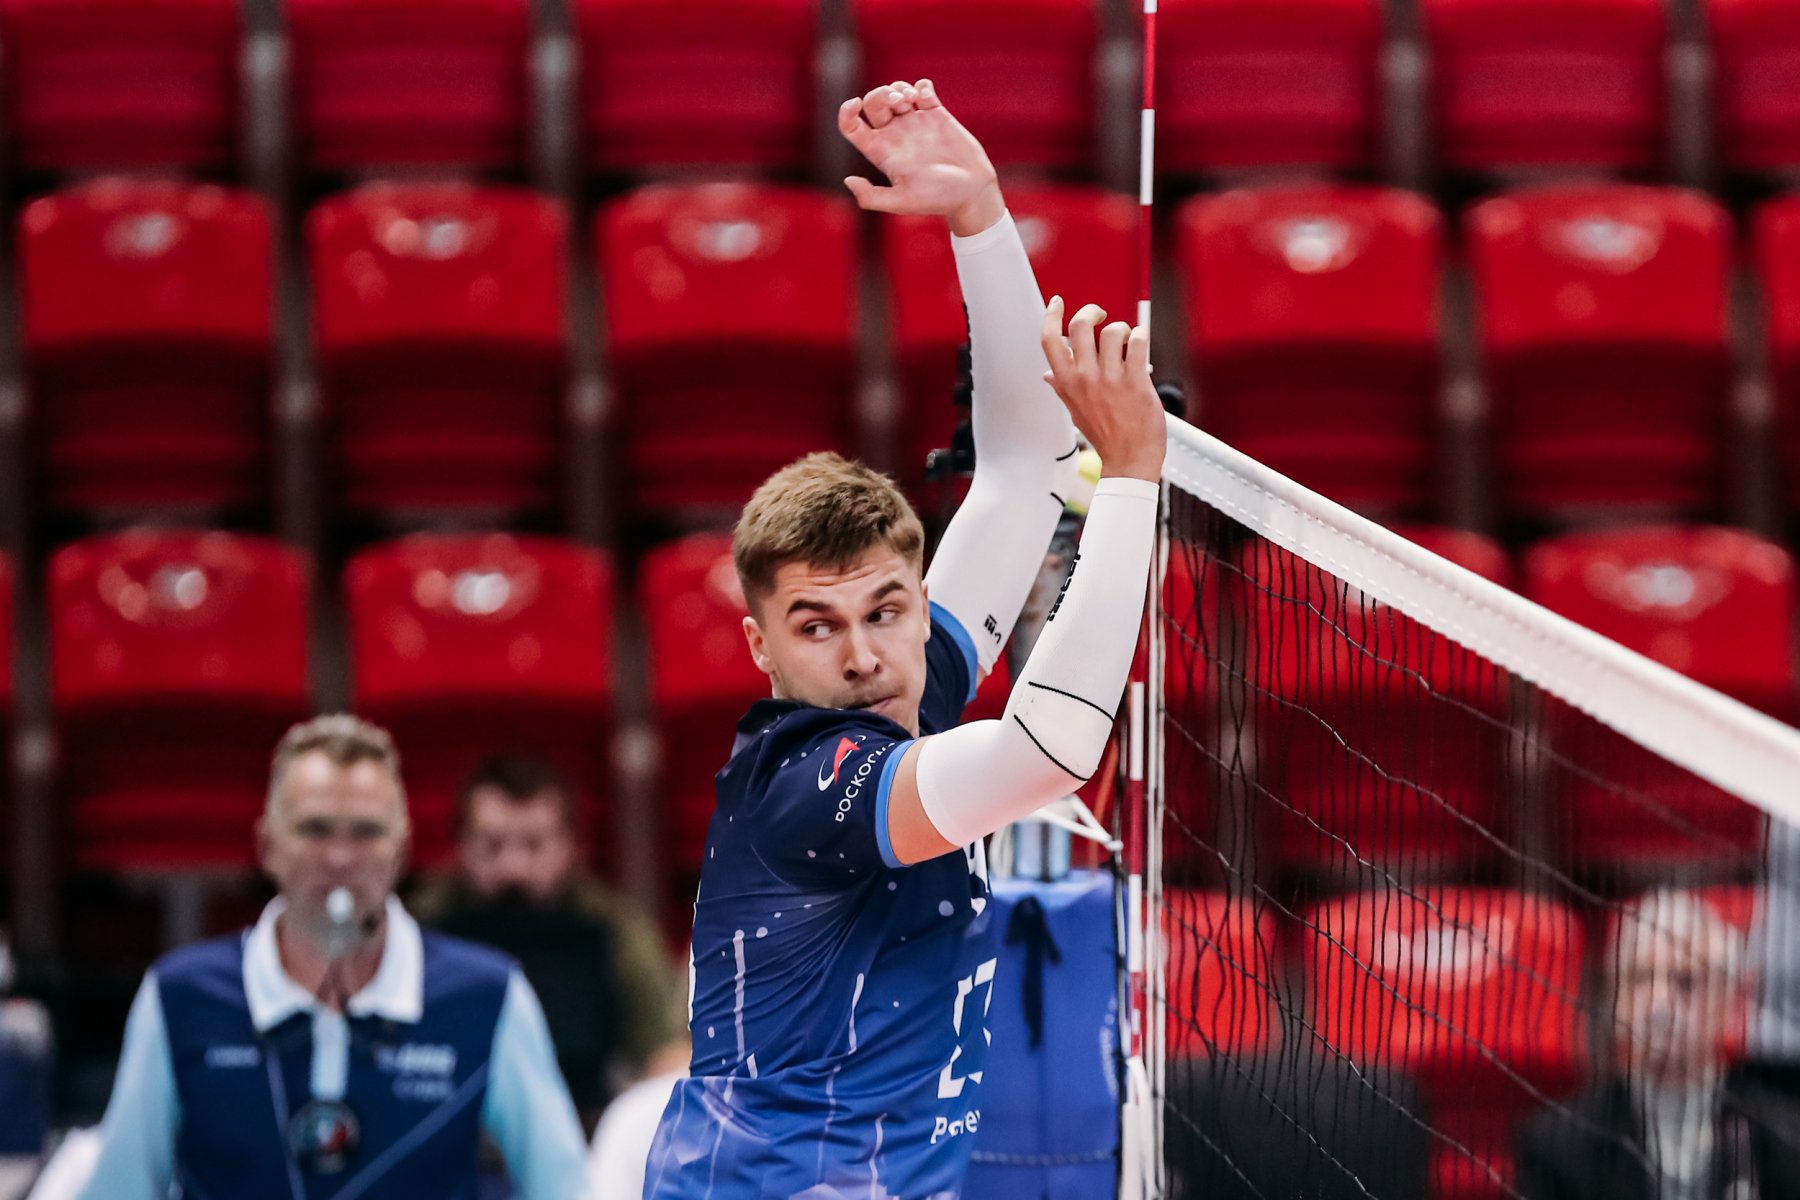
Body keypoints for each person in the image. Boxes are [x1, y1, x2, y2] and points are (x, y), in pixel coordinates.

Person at [644, 79, 1166, 1198]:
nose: (862, 655)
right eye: (816, 628)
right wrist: (1129, 482)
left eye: (884, 611)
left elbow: (1023, 470)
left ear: (917, 600)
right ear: (761, 651)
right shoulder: (804, 781)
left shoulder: (901, 688)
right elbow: (1044, 755)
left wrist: (977, 211)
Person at [77, 714, 589, 1200]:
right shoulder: (180, 998)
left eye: (366, 832)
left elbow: (566, 1189)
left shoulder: (487, 997)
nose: (340, 857)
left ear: (402, 851)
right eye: (315, 829)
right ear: (267, 846)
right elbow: (120, 1190)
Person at [409, 754, 682, 1127]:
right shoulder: (419, 931)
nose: (513, 867)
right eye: (492, 845)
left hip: (585, 1129)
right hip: (444, 1128)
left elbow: (667, 1057)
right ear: (460, 845)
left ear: (571, 846)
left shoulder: (616, 929)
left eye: (534, 845)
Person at [1517, 888, 1800, 1200]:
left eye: (1685, 982)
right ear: (1616, 999)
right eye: (1641, 979)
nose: (1659, 1004)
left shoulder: (1784, 1142)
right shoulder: (1557, 1144)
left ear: (1729, 1003)